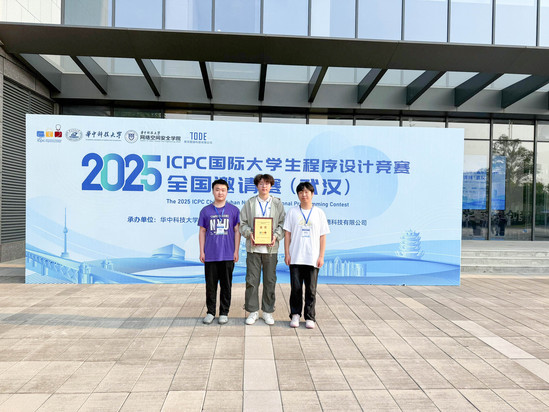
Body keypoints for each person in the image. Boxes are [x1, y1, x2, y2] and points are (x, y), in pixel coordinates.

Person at [240, 174, 286, 325]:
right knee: (251, 281)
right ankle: (252, 311)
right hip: (253, 249)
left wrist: (276, 236)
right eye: (261, 183)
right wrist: (250, 234)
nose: (264, 186)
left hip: (271, 250)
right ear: (256, 186)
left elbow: (283, 223)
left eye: (267, 183)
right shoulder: (250, 203)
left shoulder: (277, 203)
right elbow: (242, 223)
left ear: (271, 186)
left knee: (270, 281)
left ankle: (267, 311)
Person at [284, 181, 329, 329]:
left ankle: (310, 317)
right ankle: (295, 315)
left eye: (307, 192)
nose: (304, 195)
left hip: (312, 258)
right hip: (296, 256)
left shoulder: (319, 213)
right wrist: (287, 253)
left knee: (311, 290)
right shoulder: (292, 212)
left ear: (312, 194)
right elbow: (287, 234)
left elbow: (323, 236)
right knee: (296, 289)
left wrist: (321, 256)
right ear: (298, 195)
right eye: (301, 192)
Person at [198, 179, 241, 325]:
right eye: (217, 189)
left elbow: (237, 231)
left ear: (227, 192)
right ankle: (210, 312)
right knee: (210, 286)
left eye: (223, 190)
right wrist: (202, 251)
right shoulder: (205, 211)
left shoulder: (234, 210)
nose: (220, 192)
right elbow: (202, 231)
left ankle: (224, 312)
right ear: (213, 191)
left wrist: (236, 250)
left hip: (228, 254)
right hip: (210, 255)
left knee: (226, 285)